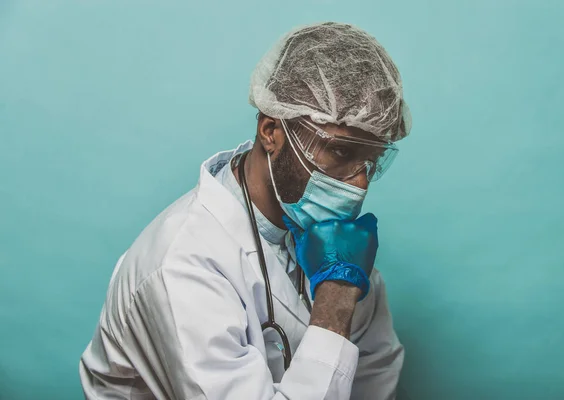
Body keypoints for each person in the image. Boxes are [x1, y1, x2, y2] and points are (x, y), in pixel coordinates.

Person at [80, 21, 412, 400]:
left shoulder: (335, 242)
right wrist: (336, 297)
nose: (359, 184)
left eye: (370, 162)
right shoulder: (182, 263)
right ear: (271, 131)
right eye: (340, 152)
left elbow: (375, 373)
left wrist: (344, 285)